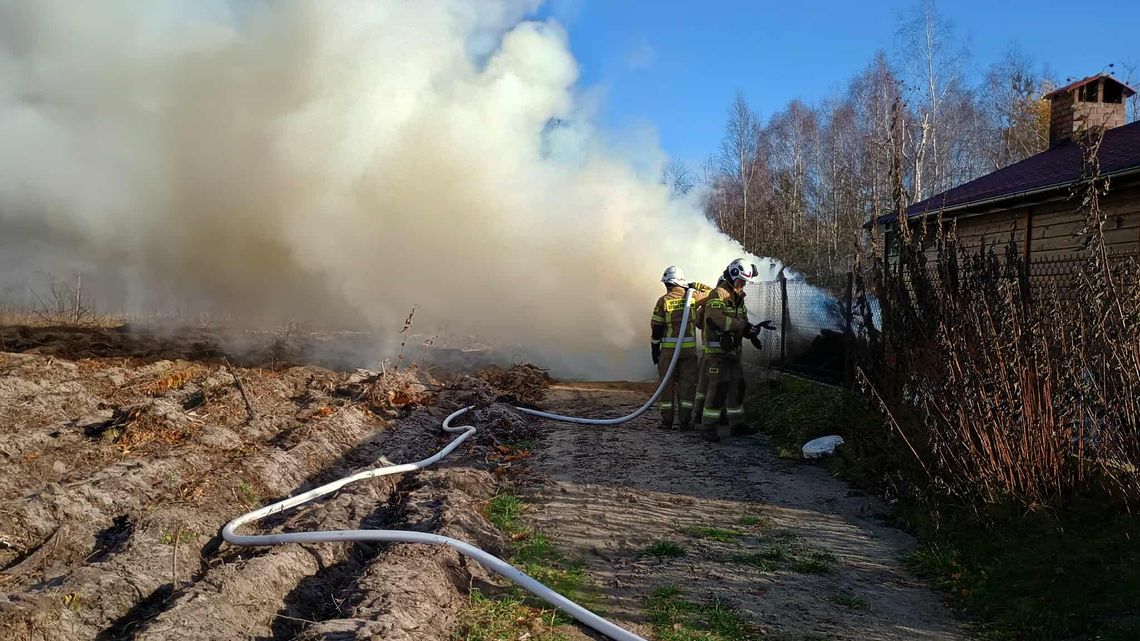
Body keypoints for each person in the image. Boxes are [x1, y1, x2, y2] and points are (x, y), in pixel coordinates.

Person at [692, 258, 774, 442]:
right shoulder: (717, 295)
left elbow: (740, 322)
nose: (743, 285)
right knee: (717, 389)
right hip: (717, 354)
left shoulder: (738, 298)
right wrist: (743, 326)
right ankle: (708, 427)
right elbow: (716, 320)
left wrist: (751, 332)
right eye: (741, 281)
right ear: (733, 275)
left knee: (737, 388)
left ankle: (737, 425)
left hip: (733, 353)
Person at [650, 266, 711, 431]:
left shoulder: (663, 301)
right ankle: (684, 421)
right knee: (688, 385)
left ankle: (666, 421)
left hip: (668, 352)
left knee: (666, 385)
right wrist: (692, 285)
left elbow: (656, 328)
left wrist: (654, 349)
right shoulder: (694, 297)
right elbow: (711, 291)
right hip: (689, 352)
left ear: (669, 284)